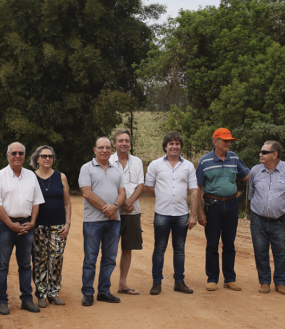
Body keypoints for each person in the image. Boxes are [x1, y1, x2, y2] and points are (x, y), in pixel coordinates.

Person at [0, 142, 45, 315]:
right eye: (14, 153)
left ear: (24, 155)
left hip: (27, 225)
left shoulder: (31, 176)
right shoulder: (0, 176)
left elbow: (36, 201)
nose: (17, 156)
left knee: (25, 265)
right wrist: (10, 224)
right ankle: (2, 301)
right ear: (8, 155)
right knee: (2, 265)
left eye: (21, 153)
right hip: (6, 226)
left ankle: (26, 300)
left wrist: (33, 222)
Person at [144, 131, 198, 295]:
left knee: (179, 249)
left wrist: (193, 214)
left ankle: (179, 282)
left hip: (182, 214)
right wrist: (161, 197)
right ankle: (156, 283)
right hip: (162, 213)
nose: (174, 147)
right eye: (171, 144)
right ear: (165, 146)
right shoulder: (155, 165)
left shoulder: (188, 166)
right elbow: (148, 187)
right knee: (159, 248)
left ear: (180, 146)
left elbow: (194, 191)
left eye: (177, 144)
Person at [196, 128, 250, 292]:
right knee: (212, 243)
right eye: (225, 140)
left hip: (232, 204)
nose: (228, 143)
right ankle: (212, 278)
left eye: (229, 141)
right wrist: (199, 212)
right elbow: (197, 187)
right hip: (213, 205)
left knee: (229, 243)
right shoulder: (205, 161)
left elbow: (247, 176)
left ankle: (229, 279)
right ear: (215, 141)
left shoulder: (234, 157)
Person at [79, 137, 126, 306]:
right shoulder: (86, 168)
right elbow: (86, 193)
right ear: (95, 149)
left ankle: (104, 291)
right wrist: (108, 210)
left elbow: (122, 193)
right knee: (90, 258)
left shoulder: (117, 170)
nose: (104, 150)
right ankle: (88, 293)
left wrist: (115, 207)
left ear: (112, 150)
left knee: (110, 258)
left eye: (107, 147)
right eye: (101, 147)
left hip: (114, 222)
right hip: (93, 221)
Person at [248, 141, 285, 295]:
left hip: (279, 219)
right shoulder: (255, 171)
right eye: (261, 151)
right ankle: (264, 282)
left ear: (275, 154)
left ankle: (280, 282)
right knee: (260, 251)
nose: (260, 154)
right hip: (258, 219)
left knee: (281, 252)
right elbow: (251, 194)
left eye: (264, 152)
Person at [29, 145, 72, 308]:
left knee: (56, 259)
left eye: (50, 156)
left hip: (59, 225)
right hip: (38, 226)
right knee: (40, 260)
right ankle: (41, 293)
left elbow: (67, 203)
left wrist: (68, 224)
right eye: (44, 156)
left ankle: (53, 292)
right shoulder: (31, 177)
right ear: (37, 159)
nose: (47, 159)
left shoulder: (61, 177)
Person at [109, 130, 144, 296]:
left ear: (130, 143)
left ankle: (123, 283)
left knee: (128, 248)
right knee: (109, 249)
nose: (124, 143)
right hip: (112, 213)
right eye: (120, 140)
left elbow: (140, 185)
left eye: (127, 141)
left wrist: (129, 202)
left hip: (132, 211)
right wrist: (119, 205)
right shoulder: (107, 161)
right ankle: (104, 284)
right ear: (114, 143)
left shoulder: (137, 162)